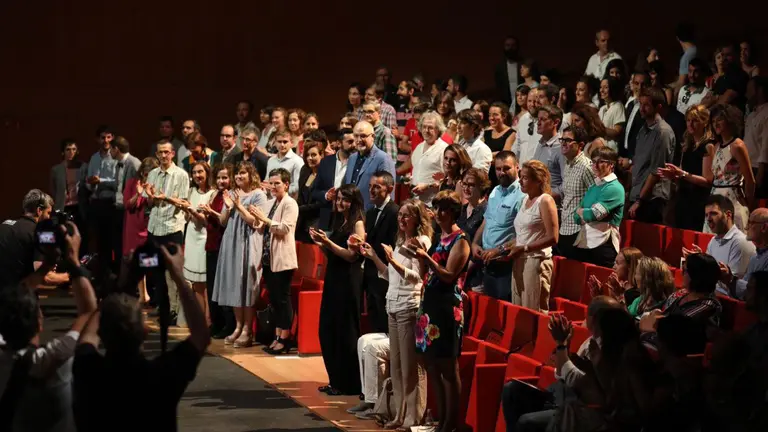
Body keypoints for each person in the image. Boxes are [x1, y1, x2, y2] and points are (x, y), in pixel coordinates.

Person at [72, 240, 210, 432]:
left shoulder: (87, 370)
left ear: (102, 333)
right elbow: (202, 335)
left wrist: (125, 284)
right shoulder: (160, 377)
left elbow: (86, 337)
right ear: (145, 332)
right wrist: (178, 274)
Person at [0, 223, 97, 432]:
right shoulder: (51, 359)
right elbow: (89, 312)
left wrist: (46, 266)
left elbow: (13, 298)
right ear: (39, 322)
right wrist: (72, 261)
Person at [359, 199, 432, 428]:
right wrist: (374, 257)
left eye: (407, 215)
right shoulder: (400, 240)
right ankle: (398, 414)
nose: (401, 219)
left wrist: (393, 261)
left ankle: (413, 416)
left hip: (409, 307)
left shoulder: (421, 241)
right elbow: (390, 275)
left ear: (418, 219)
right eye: (400, 215)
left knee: (411, 366)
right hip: (392, 305)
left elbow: (417, 277)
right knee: (397, 366)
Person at [500, 296, 623, 432]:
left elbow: (578, 381)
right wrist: (564, 344)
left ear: (593, 319)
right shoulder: (590, 341)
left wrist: (561, 346)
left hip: (582, 407)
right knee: (511, 391)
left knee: (526, 422)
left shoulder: (611, 348)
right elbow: (560, 375)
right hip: (560, 395)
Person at [410, 190, 470, 432]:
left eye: (443, 209)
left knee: (448, 366)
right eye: (436, 208)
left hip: (447, 308)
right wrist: (419, 256)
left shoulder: (461, 240)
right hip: (430, 305)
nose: (438, 213)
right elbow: (428, 272)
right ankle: (439, 418)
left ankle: (451, 423)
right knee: (431, 363)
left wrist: (428, 258)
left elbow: (448, 275)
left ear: (453, 212)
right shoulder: (439, 236)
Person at [310, 184, 366, 396]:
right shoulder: (339, 220)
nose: (340, 203)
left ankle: (349, 383)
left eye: (345, 199)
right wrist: (321, 244)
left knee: (345, 332)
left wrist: (328, 243)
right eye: (339, 199)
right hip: (334, 278)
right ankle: (335, 380)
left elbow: (352, 256)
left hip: (348, 281)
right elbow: (334, 255)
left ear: (354, 201)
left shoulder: (357, 223)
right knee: (328, 330)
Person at [211, 161, 268, 348]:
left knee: (247, 286)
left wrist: (238, 206)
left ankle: (247, 330)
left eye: (242, 173)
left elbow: (255, 222)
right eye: (237, 174)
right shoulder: (233, 194)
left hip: (248, 242)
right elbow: (222, 221)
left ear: (251, 174)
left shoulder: (258, 194)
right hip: (231, 241)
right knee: (235, 285)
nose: (238, 177)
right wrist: (228, 207)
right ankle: (238, 326)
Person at [249, 168, 299, 355]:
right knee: (274, 300)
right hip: (269, 259)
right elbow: (260, 226)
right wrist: (255, 216)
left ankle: (285, 339)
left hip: (283, 259)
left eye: (277, 183)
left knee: (282, 299)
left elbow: (285, 228)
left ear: (286, 184)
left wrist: (264, 220)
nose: (273, 186)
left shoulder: (290, 203)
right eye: (271, 183)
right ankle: (277, 336)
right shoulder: (272, 203)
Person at [144, 141, 190, 336]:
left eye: (166, 152)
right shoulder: (153, 174)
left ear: (172, 153)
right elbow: (150, 202)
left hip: (172, 227)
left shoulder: (181, 175)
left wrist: (166, 198)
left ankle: (175, 310)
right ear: (157, 154)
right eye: (160, 152)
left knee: (173, 272)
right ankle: (163, 308)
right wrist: (149, 197)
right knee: (156, 271)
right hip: (154, 226)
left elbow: (185, 202)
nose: (163, 156)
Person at [500, 160, 558, 311]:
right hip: (520, 260)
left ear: (538, 180)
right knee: (518, 310)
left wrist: (524, 248)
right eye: (521, 176)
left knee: (534, 311)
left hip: (536, 261)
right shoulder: (525, 199)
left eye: (525, 178)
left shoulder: (545, 200)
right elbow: (523, 236)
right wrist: (502, 249)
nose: (520, 181)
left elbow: (553, 238)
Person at [472, 152, 524, 301]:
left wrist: (499, 250)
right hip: (488, 263)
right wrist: (475, 243)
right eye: (498, 169)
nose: (502, 173)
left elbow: (523, 235)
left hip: (506, 264)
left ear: (517, 167)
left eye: (506, 168)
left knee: (505, 309)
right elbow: (486, 221)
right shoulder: (495, 191)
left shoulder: (522, 195)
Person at [683, 195, 756, 296]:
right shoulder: (714, 240)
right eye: (706, 215)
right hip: (711, 296)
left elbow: (730, 286)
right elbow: (708, 275)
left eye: (713, 214)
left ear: (728, 215)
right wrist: (699, 260)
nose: (708, 219)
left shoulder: (740, 242)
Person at [640, 253, 722, 342]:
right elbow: (648, 313)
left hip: (675, 350)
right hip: (654, 341)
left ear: (696, 275)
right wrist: (651, 320)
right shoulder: (681, 294)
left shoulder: (708, 305)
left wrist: (654, 321)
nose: (682, 274)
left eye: (685, 271)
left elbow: (672, 328)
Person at [198, 163, 234, 338]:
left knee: (223, 287)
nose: (221, 181)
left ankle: (228, 324)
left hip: (224, 247)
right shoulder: (215, 194)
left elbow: (223, 220)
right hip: (211, 244)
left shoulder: (231, 195)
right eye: (219, 177)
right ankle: (215, 323)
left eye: (225, 177)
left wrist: (210, 211)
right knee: (212, 286)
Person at [361, 171, 399, 334]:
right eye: (370, 187)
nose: (371, 190)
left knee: (384, 321)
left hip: (386, 273)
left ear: (389, 188)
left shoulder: (395, 212)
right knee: (373, 317)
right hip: (370, 274)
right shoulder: (369, 213)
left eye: (377, 187)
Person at [574, 146, 626, 267]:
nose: (595, 165)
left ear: (611, 165)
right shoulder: (594, 186)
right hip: (586, 242)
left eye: (601, 162)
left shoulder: (614, 188)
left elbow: (594, 214)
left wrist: (582, 212)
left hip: (604, 245)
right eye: (593, 162)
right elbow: (575, 217)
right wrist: (583, 213)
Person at [0, 190, 60, 289]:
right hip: (21, 298)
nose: (49, 218)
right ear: (39, 210)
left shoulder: (3, 226)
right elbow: (45, 277)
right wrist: (72, 276)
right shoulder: (42, 234)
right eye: (48, 213)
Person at [180, 161, 215, 323]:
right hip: (191, 236)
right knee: (195, 282)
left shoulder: (213, 193)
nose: (197, 176)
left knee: (206, 281)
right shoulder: (191, 191)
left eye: (200, 172)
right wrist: (185, 209)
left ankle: (209, 318)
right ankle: (201, 318)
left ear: (207, 173)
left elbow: (206, 221)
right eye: (194, 173)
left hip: (204, 238)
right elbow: (187, 218)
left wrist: (191, 210)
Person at [121, 157, 159, 304]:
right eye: (145, 173)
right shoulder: (132, 183)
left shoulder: (156, 184)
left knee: (149, 260)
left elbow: (152, 203)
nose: (147, 176)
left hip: (149, 225)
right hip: (134, 225)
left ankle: (148, 294)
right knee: (134, 259)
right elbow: (127, 205)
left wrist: (149, 193)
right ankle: (141, 294)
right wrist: (138, 193)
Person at [345, 121, 396, 210]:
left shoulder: (383, 158)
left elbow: (388, 194)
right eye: (356, 136)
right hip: (351, 213)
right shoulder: (351, 158)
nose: (359, 140)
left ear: (373, 136)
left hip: (371, 215)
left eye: (363, 136)